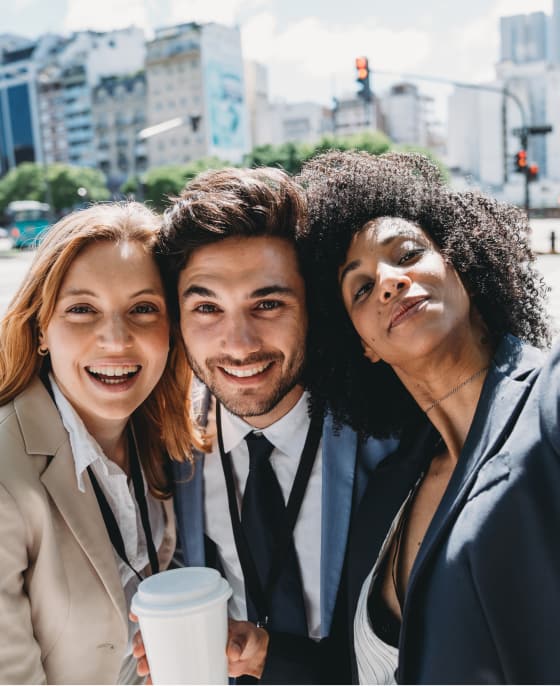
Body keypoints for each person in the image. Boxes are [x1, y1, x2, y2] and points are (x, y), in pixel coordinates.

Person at [296, 149, 560, 683]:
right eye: (362, 287)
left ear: (461, 266)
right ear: (364, 345)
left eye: (408, 254)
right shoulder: (389, 488)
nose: (389, 282)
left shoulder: (549, 403)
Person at [133, 167, 395, 684]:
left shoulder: (391, 443)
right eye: (207, 307)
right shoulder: (163, 447)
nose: (239, 343)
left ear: (312, 308)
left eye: (268, 303)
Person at [0, 202, 199, 684]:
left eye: (143, 309)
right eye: (82, 310)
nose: (115, 339)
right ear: (40, 328)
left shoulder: (168, 434)